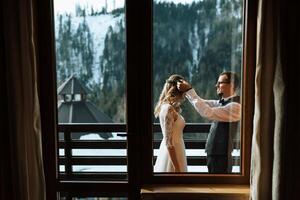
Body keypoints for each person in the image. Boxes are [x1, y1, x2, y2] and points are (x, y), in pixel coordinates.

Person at [177, 71, 241, 173]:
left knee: (219, 185)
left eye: (220, 82)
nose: (216, 85)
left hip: (222, 155)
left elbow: (207, 112)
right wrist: (187, 92)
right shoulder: (222, 102)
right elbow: (203, 103)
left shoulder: (235, 106)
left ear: (231, 85)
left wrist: (189, 90)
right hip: (216, 153)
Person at [154, 74, 188, 172]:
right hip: (172, 154)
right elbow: (168, 142)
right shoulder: (168, 109)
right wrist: (177, 168)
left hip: (179, 149)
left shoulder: (171, 108)